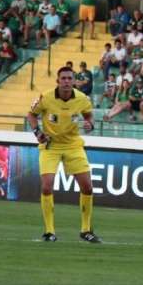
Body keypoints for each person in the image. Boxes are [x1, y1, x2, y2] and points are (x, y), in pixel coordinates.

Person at [26, 68, 101, 244]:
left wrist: (90, 124)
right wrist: (37, 132)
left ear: (74, 81)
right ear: (58, 81)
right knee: (46, 186)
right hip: (50, 145)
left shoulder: (82, 98)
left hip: (73, 145)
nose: (66, 81)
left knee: (87, 187)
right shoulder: (46, 97)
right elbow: (31, 114)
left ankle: (86, 230)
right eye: (63, 78)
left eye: (69, 78)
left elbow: (89, 115)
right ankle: (49, 232)